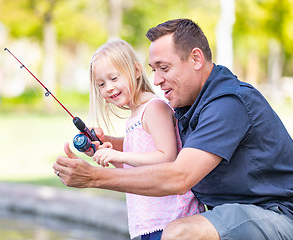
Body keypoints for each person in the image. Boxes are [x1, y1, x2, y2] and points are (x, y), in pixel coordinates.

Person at [53, 19, 293, 240]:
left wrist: (94, 177)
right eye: (154, 69)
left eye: (164, 67)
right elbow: (154, 143)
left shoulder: (228, 104)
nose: (157, 79)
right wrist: (110, 143)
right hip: (239, 214)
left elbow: (179, 177)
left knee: (180, 233)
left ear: (195, 58)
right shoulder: (189, 102)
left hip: (281, 215)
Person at [85, 39, 204, 239]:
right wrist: (108, 154)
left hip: (171, 222)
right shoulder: (135, 116)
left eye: (114, 78)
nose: (109, 88)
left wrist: (119, 155)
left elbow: (166, 158)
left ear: (137, 71)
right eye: (101, 84)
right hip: (148, 224)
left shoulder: (154, 108)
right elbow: (135, 171)